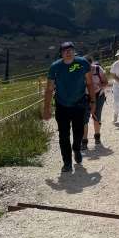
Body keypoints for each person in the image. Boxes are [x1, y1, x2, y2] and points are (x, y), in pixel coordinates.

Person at [43, 41, 96, 173]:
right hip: (62, 105)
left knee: (78, 132)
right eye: (65, 50)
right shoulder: (55, 67)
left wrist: (93, 101)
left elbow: (89, 83)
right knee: (63, 135)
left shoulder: (83, 63)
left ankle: (76, 148)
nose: (68, 52)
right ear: (61, 53)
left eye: (70, 49)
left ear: (74, 51)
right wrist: (46, 108)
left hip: (79, 104)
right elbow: (49, 89)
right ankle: (67, 163)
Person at [82, 54, 108, 149]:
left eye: (88, 64)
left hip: (98, 95)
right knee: (84, 119)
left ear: (91, 63)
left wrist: (99, 86)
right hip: (85, 96)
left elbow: (105, 82)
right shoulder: (80, 71)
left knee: (96, 117)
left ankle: (97, 136)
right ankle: (84, 142)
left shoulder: (98, 69)